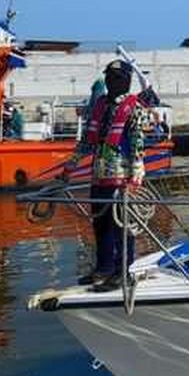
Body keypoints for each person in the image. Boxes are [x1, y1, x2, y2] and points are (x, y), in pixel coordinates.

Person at [62, 59, 146, 291]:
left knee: (122, 226)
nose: (111, 82)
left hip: (120, 178)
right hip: (98, 176)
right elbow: (86, 143)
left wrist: (135, 179)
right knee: (101, 225)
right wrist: (69, 168)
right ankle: (104, 267)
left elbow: (138, 146)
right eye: (109, 77)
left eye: (117, 78)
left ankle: (123, 271)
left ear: (126, 81)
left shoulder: (134, 107)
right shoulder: (100, 105)